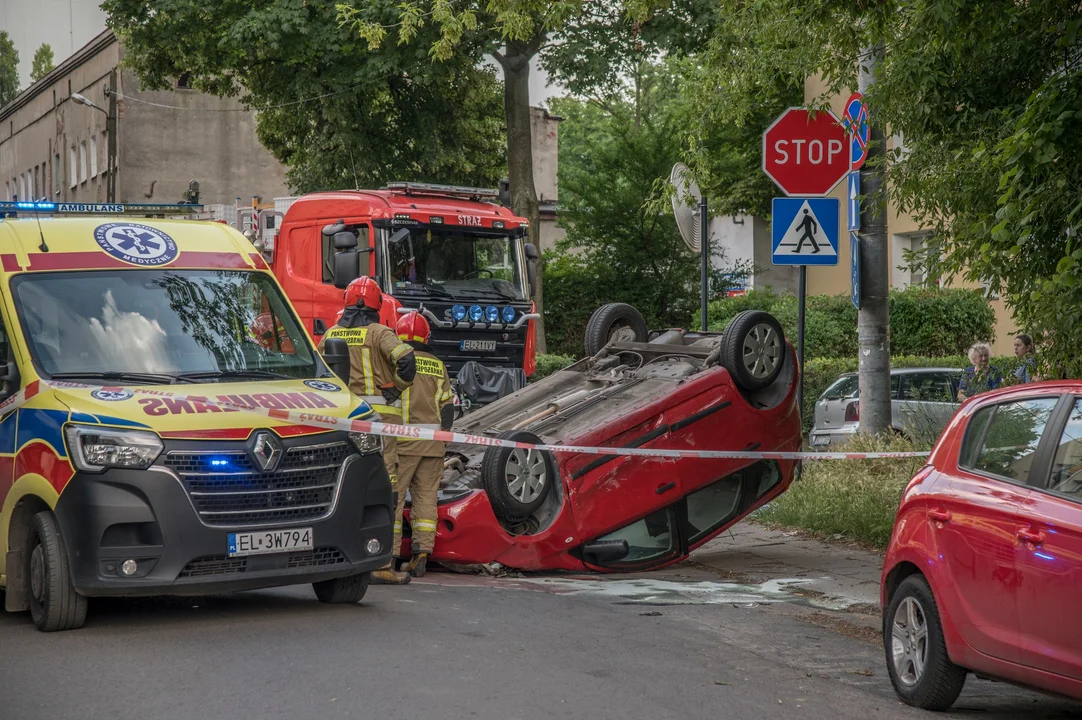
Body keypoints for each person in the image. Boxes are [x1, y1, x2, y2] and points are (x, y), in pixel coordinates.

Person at [318, 276, 416, 585]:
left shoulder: (330, 335)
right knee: (386, 490)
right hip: (380, 428)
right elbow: (407, 361)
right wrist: (395, 389)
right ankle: (381, 562)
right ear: (376, 304)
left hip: (342, 424)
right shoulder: (379, 333)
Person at [393, 311, 454, 578]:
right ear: (426, 336)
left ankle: (390, 555)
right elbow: (448, 409)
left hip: (402, 444)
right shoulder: (438, 365)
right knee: (426, 499)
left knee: (393, 498)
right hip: (433, 445)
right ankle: (421, 554)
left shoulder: (397, 362)